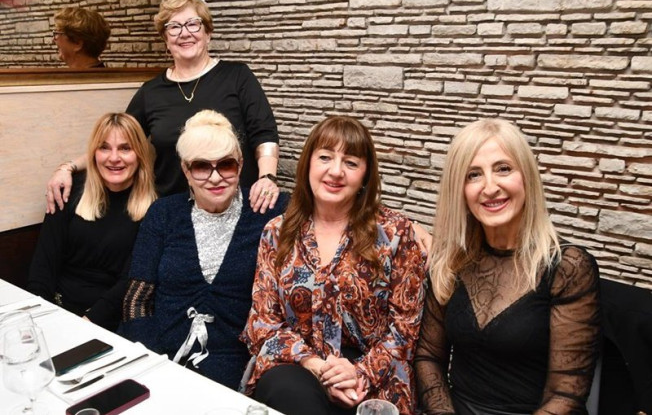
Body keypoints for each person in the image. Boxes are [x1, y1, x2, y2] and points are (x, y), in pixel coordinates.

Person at [241, 116, 427, 415]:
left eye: (351, 162)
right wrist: (316, 366)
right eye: (325, 157)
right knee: (288, 390)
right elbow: (263, 322)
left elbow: (405, 328)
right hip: (299, 366)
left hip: (374, 376)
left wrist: (360, 373)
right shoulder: (277, 232)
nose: (336, 171)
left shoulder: (396, 233)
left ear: (365, 175)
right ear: (308, 164)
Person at [414, 118, 601, 415]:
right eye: (473, 175)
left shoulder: (567, 267)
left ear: (526, 176)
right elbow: (428, 357)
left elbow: (566, 393)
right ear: (460, 189)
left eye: (503, 169)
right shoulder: (451, 260)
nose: (490, 187)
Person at [46, 0, 280, 215]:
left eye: (193, 24)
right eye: (174, 27)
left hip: (237, 207)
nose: (184, 33)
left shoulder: (237, 76)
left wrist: (267, 177)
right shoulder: (151, 92)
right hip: (174, 212)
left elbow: (264, 134)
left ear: (208, 33)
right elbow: (116, 143)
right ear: (166, 40)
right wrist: (68, 168)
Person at [119, 110, 288, 390]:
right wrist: (152, 359)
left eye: (226, 165)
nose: (215, 177)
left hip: (234, 364)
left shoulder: (268, 211)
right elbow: (136, 301)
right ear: (186, 170)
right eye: (201, 166)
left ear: (240, 165)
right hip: (159, 353)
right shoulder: (163, 213)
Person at [27, 113, 156, 331]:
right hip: (56, 310)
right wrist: (37, 317)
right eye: (104, 148)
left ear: (140, 154)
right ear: (93, 153)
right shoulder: (67, 193)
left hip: (111, 321)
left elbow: (130, 281)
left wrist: (87, 324)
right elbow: (43, 266)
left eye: (125, 148)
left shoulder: (156, 210)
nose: (114, 158)